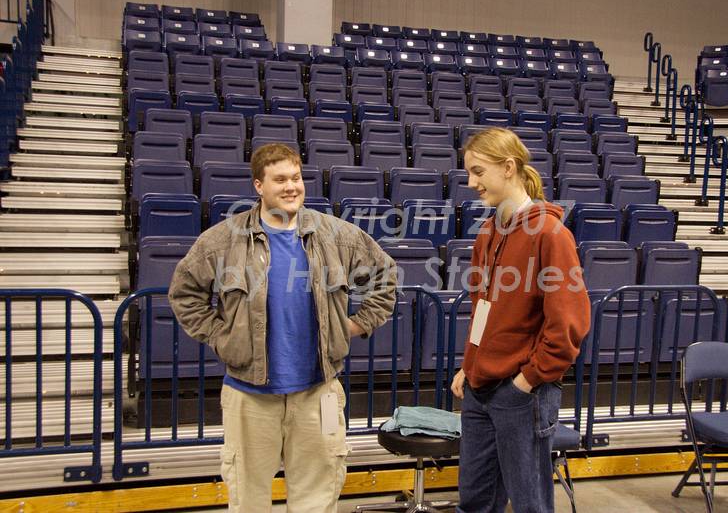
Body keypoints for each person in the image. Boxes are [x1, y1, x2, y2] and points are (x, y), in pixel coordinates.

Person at [168, 143, 397, 513]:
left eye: (296, 177)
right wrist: (220, 336)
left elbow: (386, 277)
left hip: (317, 391)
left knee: (317, 498)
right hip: (249, 394)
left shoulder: (337, 236)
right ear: (259, 185)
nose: (291, 187)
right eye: (280, 180)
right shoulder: (224, 240)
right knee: (248, 499)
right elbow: (184, 294)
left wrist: (355, 324)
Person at [450, 128, 591, 513]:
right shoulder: (489, 232)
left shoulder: (551, 234)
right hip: (480, 389)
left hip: (521, 393)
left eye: (478, 172)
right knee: (475, 502)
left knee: (530, 505)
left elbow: (568, 325)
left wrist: (526, 381)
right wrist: (470, 364)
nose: (471, 182)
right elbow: (484, 306)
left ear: (508, 167)